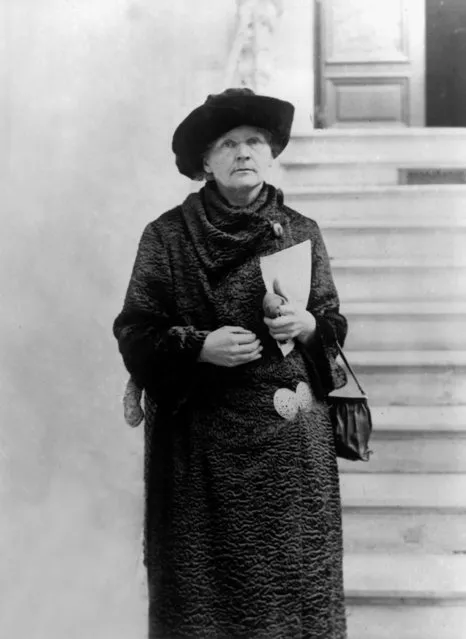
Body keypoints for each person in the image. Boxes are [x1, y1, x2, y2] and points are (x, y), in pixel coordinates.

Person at [113, 87, 348, 639]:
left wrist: (310, 326)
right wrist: (199, 346)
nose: (243, 152)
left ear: (271, 154)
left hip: (290, 446)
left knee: (294, 584)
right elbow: (135, 329)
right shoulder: (167, 236)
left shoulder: (302, 230)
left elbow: (332, 321)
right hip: (201, 444)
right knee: (203, 594)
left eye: (255, 141)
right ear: (204, 162)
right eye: (228, 144)